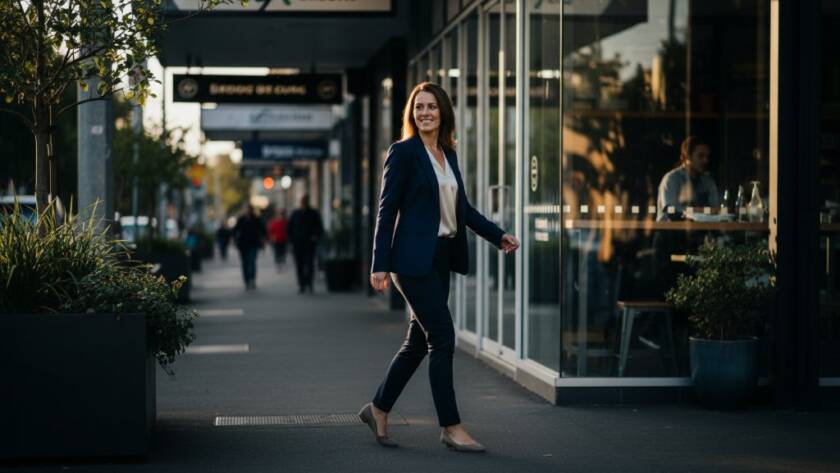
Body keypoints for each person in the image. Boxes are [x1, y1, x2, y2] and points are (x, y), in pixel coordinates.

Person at [358, 82, 520, 453]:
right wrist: (379, 263)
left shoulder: (448, 154)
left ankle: (379, 408)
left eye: (431, 106)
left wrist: (498, 236)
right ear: (412, 114)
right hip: (410, 263)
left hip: (441, 258)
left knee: (417, 342)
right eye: (419, 107)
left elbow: (463, 211)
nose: (425, 113)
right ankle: (450, 426)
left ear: (443, 112)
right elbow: (386, 211)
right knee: (442, 338)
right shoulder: (403, 153)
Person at [656, 136, 720, 221]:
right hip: (671, 231)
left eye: (707, 157)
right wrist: (702, 211)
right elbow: (671, 210)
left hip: (698, 231)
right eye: (700, 156)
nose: (705, 161)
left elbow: (716, 209)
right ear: (686, 157)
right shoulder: (671, 179)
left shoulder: (707, 181)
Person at [287, 195, 323, 294]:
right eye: (302, 201)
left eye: (305, 201)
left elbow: (319, 227)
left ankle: (309, 283)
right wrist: (291, 240)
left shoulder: (313, 213)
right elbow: (289, 228)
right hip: (298, 244)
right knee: (299, 265)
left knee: (310, 264)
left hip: (309, 244)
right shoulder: (295, 214)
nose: (303, 203)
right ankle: (302, 285)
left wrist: (315, 236)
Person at [232, 205, 266, 290]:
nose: (248, 211)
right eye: (247, 210)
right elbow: (234, 230)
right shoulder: (241, 219)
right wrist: (234, 239)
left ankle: (252, 279)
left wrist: (262, 239)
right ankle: (247, 281)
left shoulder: (256, 219)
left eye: (249, 210)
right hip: (243, 245)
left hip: (253, 244)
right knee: (245, 263)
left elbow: (263, 230)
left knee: (252, 262)